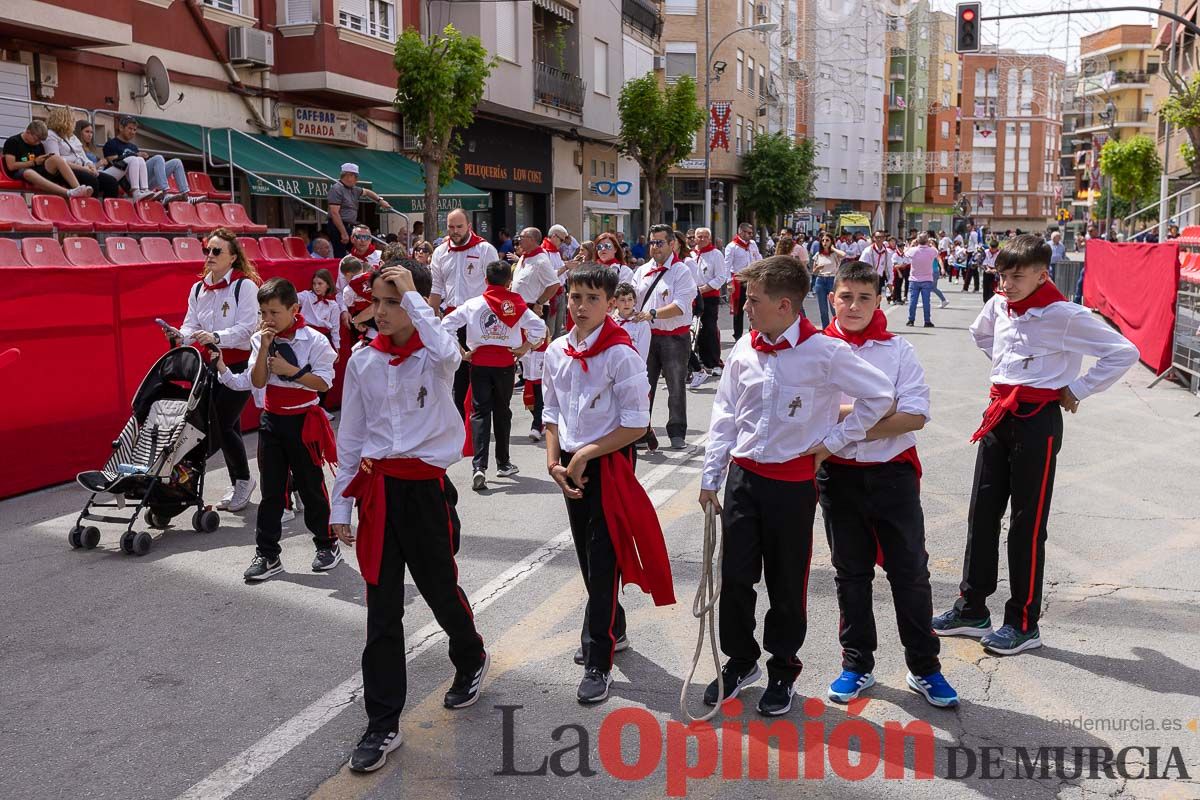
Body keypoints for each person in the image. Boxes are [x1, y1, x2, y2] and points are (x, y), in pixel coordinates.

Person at [699, 255, 894, 716]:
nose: (745, 307)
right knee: (736, 578)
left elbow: (881, 395)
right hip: (742, 479)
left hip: (791, 483)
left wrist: (834, 441)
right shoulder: (745, 348)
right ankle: (740, 659)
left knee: (787, 582)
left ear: (784, 305)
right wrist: (711, 477)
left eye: (753, 300)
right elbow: (725, 413)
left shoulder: (823, 351)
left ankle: (782, 669)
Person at [932, 235, 1138, 656]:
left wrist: (1076, 387)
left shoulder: (1064, 315)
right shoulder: (998, 305)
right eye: (1002, 275)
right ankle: (972, 607)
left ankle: (1023, 621)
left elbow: (1123, 351)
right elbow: (981, 335)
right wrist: (1010, 372)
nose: (1007, 284)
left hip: (1036, 422)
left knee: (1027, 524)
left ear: (1042, 274)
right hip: (998, 415)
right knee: (982, 514)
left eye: (1018, 276)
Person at [331, 259, 488, 772]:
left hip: (425, 492)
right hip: (379, 493)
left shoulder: (436, 358)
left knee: (442, 590)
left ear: (417, 306)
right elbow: (351, 436)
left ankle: (470, 656)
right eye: (377, 300)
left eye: (392, 301)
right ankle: (382, 723)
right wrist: (341, 504)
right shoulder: (362, 361)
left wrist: (415, 298)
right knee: (382, 609)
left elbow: (447, 348)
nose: (380, 311)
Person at [819, 260, 958, 708]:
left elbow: (915, 415)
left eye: (864, 297)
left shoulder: (898, 350)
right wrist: (879, 410)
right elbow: (806, 413)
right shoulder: (816, 350)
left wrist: (846, 418)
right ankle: (857, 664)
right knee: (850, 573)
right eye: (846, 296)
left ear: (879, 300)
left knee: (910, 572)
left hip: (892, 473)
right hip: (838, 475)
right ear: (831, 298)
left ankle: (925, 667)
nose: (854, 305)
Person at [542, 263, 675, 703]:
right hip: (569, 463)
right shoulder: (558, 350)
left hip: (608, 463)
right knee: (585, 554)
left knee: (603, 559)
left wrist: (583, 455)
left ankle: (599, 659)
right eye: (575, 297)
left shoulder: (621, 354)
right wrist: (555, 462)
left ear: (610, 303)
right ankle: (613, 625)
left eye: (592, 299)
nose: (581, 306)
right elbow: (551, 412)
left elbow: (636, 425)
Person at [212, 277, 340, 581]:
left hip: (303, 420)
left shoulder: (314, 340)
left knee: (311, 486)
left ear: (294, 308)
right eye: (263, 313)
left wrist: (291, 372)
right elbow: (257, 382)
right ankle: (267, 554)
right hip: (271, 421)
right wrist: (265, 348)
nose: (267, 320)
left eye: (274, 313)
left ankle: (326, 544)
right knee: (272, 491)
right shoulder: (260, 339)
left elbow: (323, 383)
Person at [173, 229, 260, 512]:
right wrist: (180, 335)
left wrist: (217, 337)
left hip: (239, 363)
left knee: (221, 424)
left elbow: (248, 329)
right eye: (207, 251)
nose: (209, 256)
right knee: (226, 424)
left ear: (233, 257)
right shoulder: (198, 288)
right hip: (208, 365)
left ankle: (244, 480)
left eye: (216, 251)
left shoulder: (244, 286)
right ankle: (239, 481)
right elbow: (191, 324)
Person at [442, 259, 547, 490]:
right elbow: (540, 327)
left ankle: (479, 466)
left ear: (486, 280)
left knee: (479, 412)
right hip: (505, 363)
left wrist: (462, 351)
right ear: (509, 282)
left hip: (479, 362)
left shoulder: (473, 304)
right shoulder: (517, 304)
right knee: (502, 412)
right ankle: (503, 463)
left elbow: (446, 324)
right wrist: (525, 347)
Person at [429, 209, 501, 416]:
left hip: (479, 320)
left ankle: (482, 415)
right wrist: (434, 322)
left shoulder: (485, 249)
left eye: (459, 227)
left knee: (481, 372)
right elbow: (435, 289)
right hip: (453, 320)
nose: (455, 231)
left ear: (469, 226)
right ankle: (461, 419)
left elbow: (495, 287)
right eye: (451, 227)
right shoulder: (440, 252)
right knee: (456, 372)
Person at [635, 224, 698, 451]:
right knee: (644, 386)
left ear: (672, 244)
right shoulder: (641, 271)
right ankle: (642, 432)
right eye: (652, 242)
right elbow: (631, 299)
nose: (655, 247)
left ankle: (677, 432)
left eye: (659, 242)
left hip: (674, 337)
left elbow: (681, 306)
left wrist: (651, 314)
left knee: (676, 387)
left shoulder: (682, 271)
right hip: (646, 337)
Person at [511, 227, 561, 440]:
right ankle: (537, 415)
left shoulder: (541, 260)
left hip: (533, 313)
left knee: (536, 367)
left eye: (521, 237)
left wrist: (539, 303)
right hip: (519, 315)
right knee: (525, 367)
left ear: (532, 239)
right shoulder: (524, 258)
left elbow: (554, 285)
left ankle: (539, 419)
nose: (518, 239)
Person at [104, 115, 191, 203]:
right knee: (158, 158)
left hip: (143, 182)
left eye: (134, 130)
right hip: (128, 183)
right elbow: (114, 163)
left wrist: (141, 157)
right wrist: (134, 155)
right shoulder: (111, 144)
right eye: (130, 129)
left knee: (176, 162)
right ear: (121, 128)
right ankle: (165, 193)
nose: (132, 132)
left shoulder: (133, 147)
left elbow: (141, 167)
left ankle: (186, 196)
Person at [3, 120, 93, 198]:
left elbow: (41, 161)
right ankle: (68, 193)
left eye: (40, 141)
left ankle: (78, 189)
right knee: (29, 173)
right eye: (36, 139)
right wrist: (33, 162)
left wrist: (46, 159)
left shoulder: (38, 144)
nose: (37, 143)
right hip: (19, 171)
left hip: (35, 168)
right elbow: (11, 166)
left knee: (56, 159)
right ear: (28, 132)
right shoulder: (13, 142)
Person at [686, 226, 729, 389]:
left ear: (709, 239)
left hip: (709, 297)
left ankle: (714, 362)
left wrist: (704, 288)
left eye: (705, 237)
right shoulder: (690, 255)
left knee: (709, 329)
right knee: (693, 330)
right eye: (699, 236)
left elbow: (721, 276)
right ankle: (697, 363)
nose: (702, 239)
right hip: (692, 298)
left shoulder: (716, 254)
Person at [44, 108, 118, 199]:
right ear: (63, 120)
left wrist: (91, 166)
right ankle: (88, 210)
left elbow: (83, 156)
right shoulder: (50, 135)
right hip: (65, 171)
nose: (74, 123)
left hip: (82, 168)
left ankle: (108, 210)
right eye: (72, 120)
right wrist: (84, 169)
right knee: (91, 180)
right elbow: (56, 160)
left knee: (111, 181)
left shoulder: (72, 136)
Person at [325, 163, 392, 257]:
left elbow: (368, 192)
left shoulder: (353, 189)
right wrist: (343, 233)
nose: (357, 179)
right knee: (340, 253)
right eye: (355, 176)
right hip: (339, 226)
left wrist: (380, 200)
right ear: (348, 175)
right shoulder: (337, 189)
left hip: (349, 225)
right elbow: (334, 213)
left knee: (359, 251)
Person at [725, 222, 763, 340]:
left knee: (755, 306)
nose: (750, 235)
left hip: (752, 279)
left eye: (751, 233)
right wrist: (729, 282)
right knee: (739, 308)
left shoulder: (752, 245)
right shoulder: (732, 246)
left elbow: (758, 259)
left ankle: (754, 331)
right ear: (741, 232)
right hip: (739, 280)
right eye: (748, 233)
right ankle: (737, 335)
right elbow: (727, 265)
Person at [299, 268, 343, 355]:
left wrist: (336, 347)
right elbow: (292, 299)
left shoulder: (333, 305)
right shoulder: (306, 296)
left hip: (323, 338)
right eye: (314, 284)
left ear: (328, 285)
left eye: (320, 284)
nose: (316, 287)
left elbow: (335, 328)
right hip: (305, 334)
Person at [810, 233, 847, 328]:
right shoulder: (818, 254)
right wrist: (818, 267)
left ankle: (838, 328)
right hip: (820, 280)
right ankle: (826, 329)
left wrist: (833, 248)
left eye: (827, 240)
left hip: (832, 279)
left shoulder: (834, 254)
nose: (824, 242)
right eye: (823, 240)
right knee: (823, 310)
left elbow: (844, 255)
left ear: (831, 242)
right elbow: (813, 271)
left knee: (834, 307)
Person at [905, 233, 939, 328]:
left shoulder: (913, 250)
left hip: (914, 279)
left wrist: (911, 244)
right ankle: (927, 320)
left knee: (913, 301)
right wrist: (930, 244)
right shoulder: (931, 250)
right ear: (927, 240)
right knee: (926, 301)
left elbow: (905, 253)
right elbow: (936, 252)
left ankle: (911, 320)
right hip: (927, 279)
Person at [612, 282, 651, 362]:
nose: (627, 304)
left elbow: (643, 354)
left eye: (630, 299)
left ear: (634, 301)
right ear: (615, 302)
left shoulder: (642, 324)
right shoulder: (611, 322)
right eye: (622, 300)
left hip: (633, 368)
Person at [858, 230, 893, 300]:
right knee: (868, 299)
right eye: (877, 237)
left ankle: (876, 310)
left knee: (877, 299)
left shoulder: (887, 252)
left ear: (884, 238)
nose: (879, 239)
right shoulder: (868, 251)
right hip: (868, 278)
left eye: (881, 237)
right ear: (874, 238)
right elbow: (861, 265)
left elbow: (889, 267)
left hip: (879, 278)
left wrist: (890, 281)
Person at [980, 238, 1001, 303]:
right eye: (991, 248)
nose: (991, 250)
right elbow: (982, 261)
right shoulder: (986, 252)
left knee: (992, 289)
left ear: (997, 248)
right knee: (986, 288)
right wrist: (986, 268)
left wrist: (995, 270)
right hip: (987, 270)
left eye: (993, 249)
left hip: (995, 272)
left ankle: (991, 303)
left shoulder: (1000, 253)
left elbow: (1001, 264)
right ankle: (985, 302)